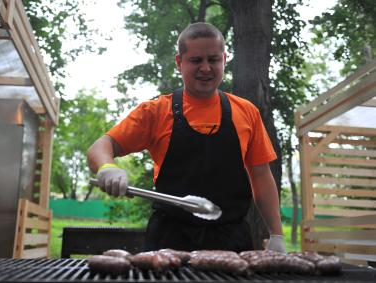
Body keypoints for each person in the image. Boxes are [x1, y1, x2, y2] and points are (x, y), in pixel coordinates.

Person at [87, 22, 286, 253]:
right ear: (179, 62)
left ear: (224, 59)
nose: (205, 68)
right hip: (168, 241)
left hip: (231, 242)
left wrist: (276, 234)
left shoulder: (247, 112)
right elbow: (101, 146)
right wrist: (106, 167)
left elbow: (261, 176)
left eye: (213, 60)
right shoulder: (156, 111)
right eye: (196, 60)